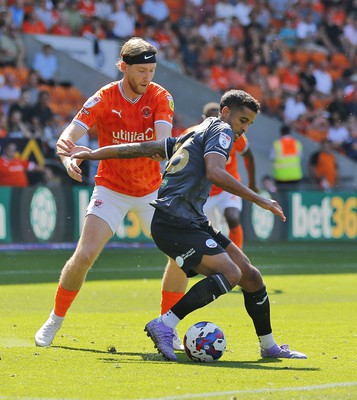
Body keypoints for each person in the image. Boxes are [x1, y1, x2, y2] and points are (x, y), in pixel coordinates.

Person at [58, 89, 307, 362]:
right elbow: (215, 172)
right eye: (243, 120)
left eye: (249, 123)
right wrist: (259, 198)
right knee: (230, 274)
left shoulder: (194, 132)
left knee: (250, 276)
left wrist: (93, 154)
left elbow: (143, 148)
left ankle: (269, 346)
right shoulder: (222, 131)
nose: (243, 129)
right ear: (225, 113)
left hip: (189, 218)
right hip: (175, 220)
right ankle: (164, 325)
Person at [34, 37, 179, 348]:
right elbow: (68, 136)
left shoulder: (160, 97)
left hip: (152, 190)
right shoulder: (104, 97)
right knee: (84, 255)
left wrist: (159, 150)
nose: (148, 77)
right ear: (123, 67)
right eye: (141, 70)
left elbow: (162, 143)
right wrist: (68, 157)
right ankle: (55, 319)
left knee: (180, 257)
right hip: (111, 188)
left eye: (152, 70)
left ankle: (168, 327)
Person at [201, 101, 257, 250]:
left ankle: (238, 257)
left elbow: (249, 156)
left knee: (232, 217)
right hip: (204, 192)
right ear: (204, 119)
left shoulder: (233, 135)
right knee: (209, 234)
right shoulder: (196, 134)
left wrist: (252, 182)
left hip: (228, 188)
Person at [270, 124, 303, 191]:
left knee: (283, 198)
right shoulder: (297, 143)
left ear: (281, 132)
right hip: (295, 175)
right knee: (293, 197)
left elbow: (271, 157)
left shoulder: (277, 144)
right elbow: (301, 157)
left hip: (280, 176)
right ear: (290, 132)